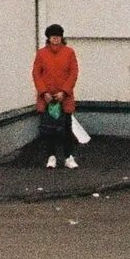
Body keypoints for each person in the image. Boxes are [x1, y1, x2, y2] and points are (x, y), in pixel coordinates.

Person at [33, 24, 83, 169]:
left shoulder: (69, 52)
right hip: (47, 98)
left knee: (67, 128)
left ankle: (68, 156)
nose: (56, 39)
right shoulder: (41, 54)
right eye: (53, 36)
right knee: (49, 129)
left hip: (64, 97)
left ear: (62, 37)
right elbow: (36, 73)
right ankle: (51, 156)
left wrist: (64, 91)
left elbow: (74, 72)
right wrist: (44, 92)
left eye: (58, 36)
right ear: (48, 38)